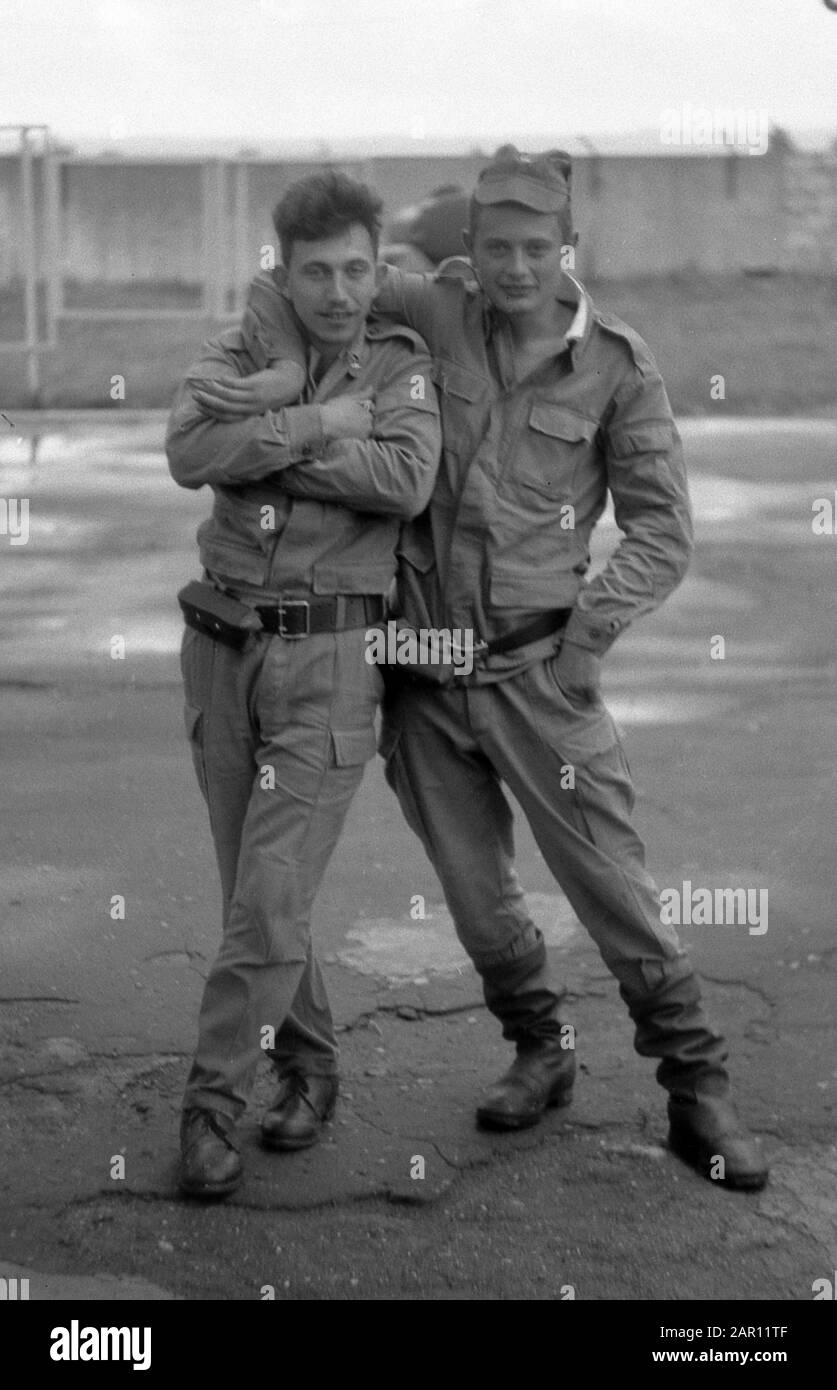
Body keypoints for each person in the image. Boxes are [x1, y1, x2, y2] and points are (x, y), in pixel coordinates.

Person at [199, 147, 768, 1191]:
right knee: (476, 897)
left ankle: (697, 1084)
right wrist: (284, 385)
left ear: (567, 251)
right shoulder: (435, 308)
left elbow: (661, 531)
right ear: (467, 252)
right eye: (495, 248)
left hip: (539, 673)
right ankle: (539, 1047)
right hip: (423, 674)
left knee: (611, 884)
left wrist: (589, 637)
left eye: (534, 250)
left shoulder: (617, 369)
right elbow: (304, 275)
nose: (513, 268)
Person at [165, 170, 440, 1199]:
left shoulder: (402, 365)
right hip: (222, 647)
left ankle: (210, 1104)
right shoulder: (240, 352)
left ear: (380, 269)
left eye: (358, 269)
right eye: (317, 270)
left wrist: (262, 456)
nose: (338, 290)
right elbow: (188, 448)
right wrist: (323, 424)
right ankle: (312, 1060)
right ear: (285, 267)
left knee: (270, 897)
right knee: (257, 895)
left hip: (331, 663)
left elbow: (405, 479)